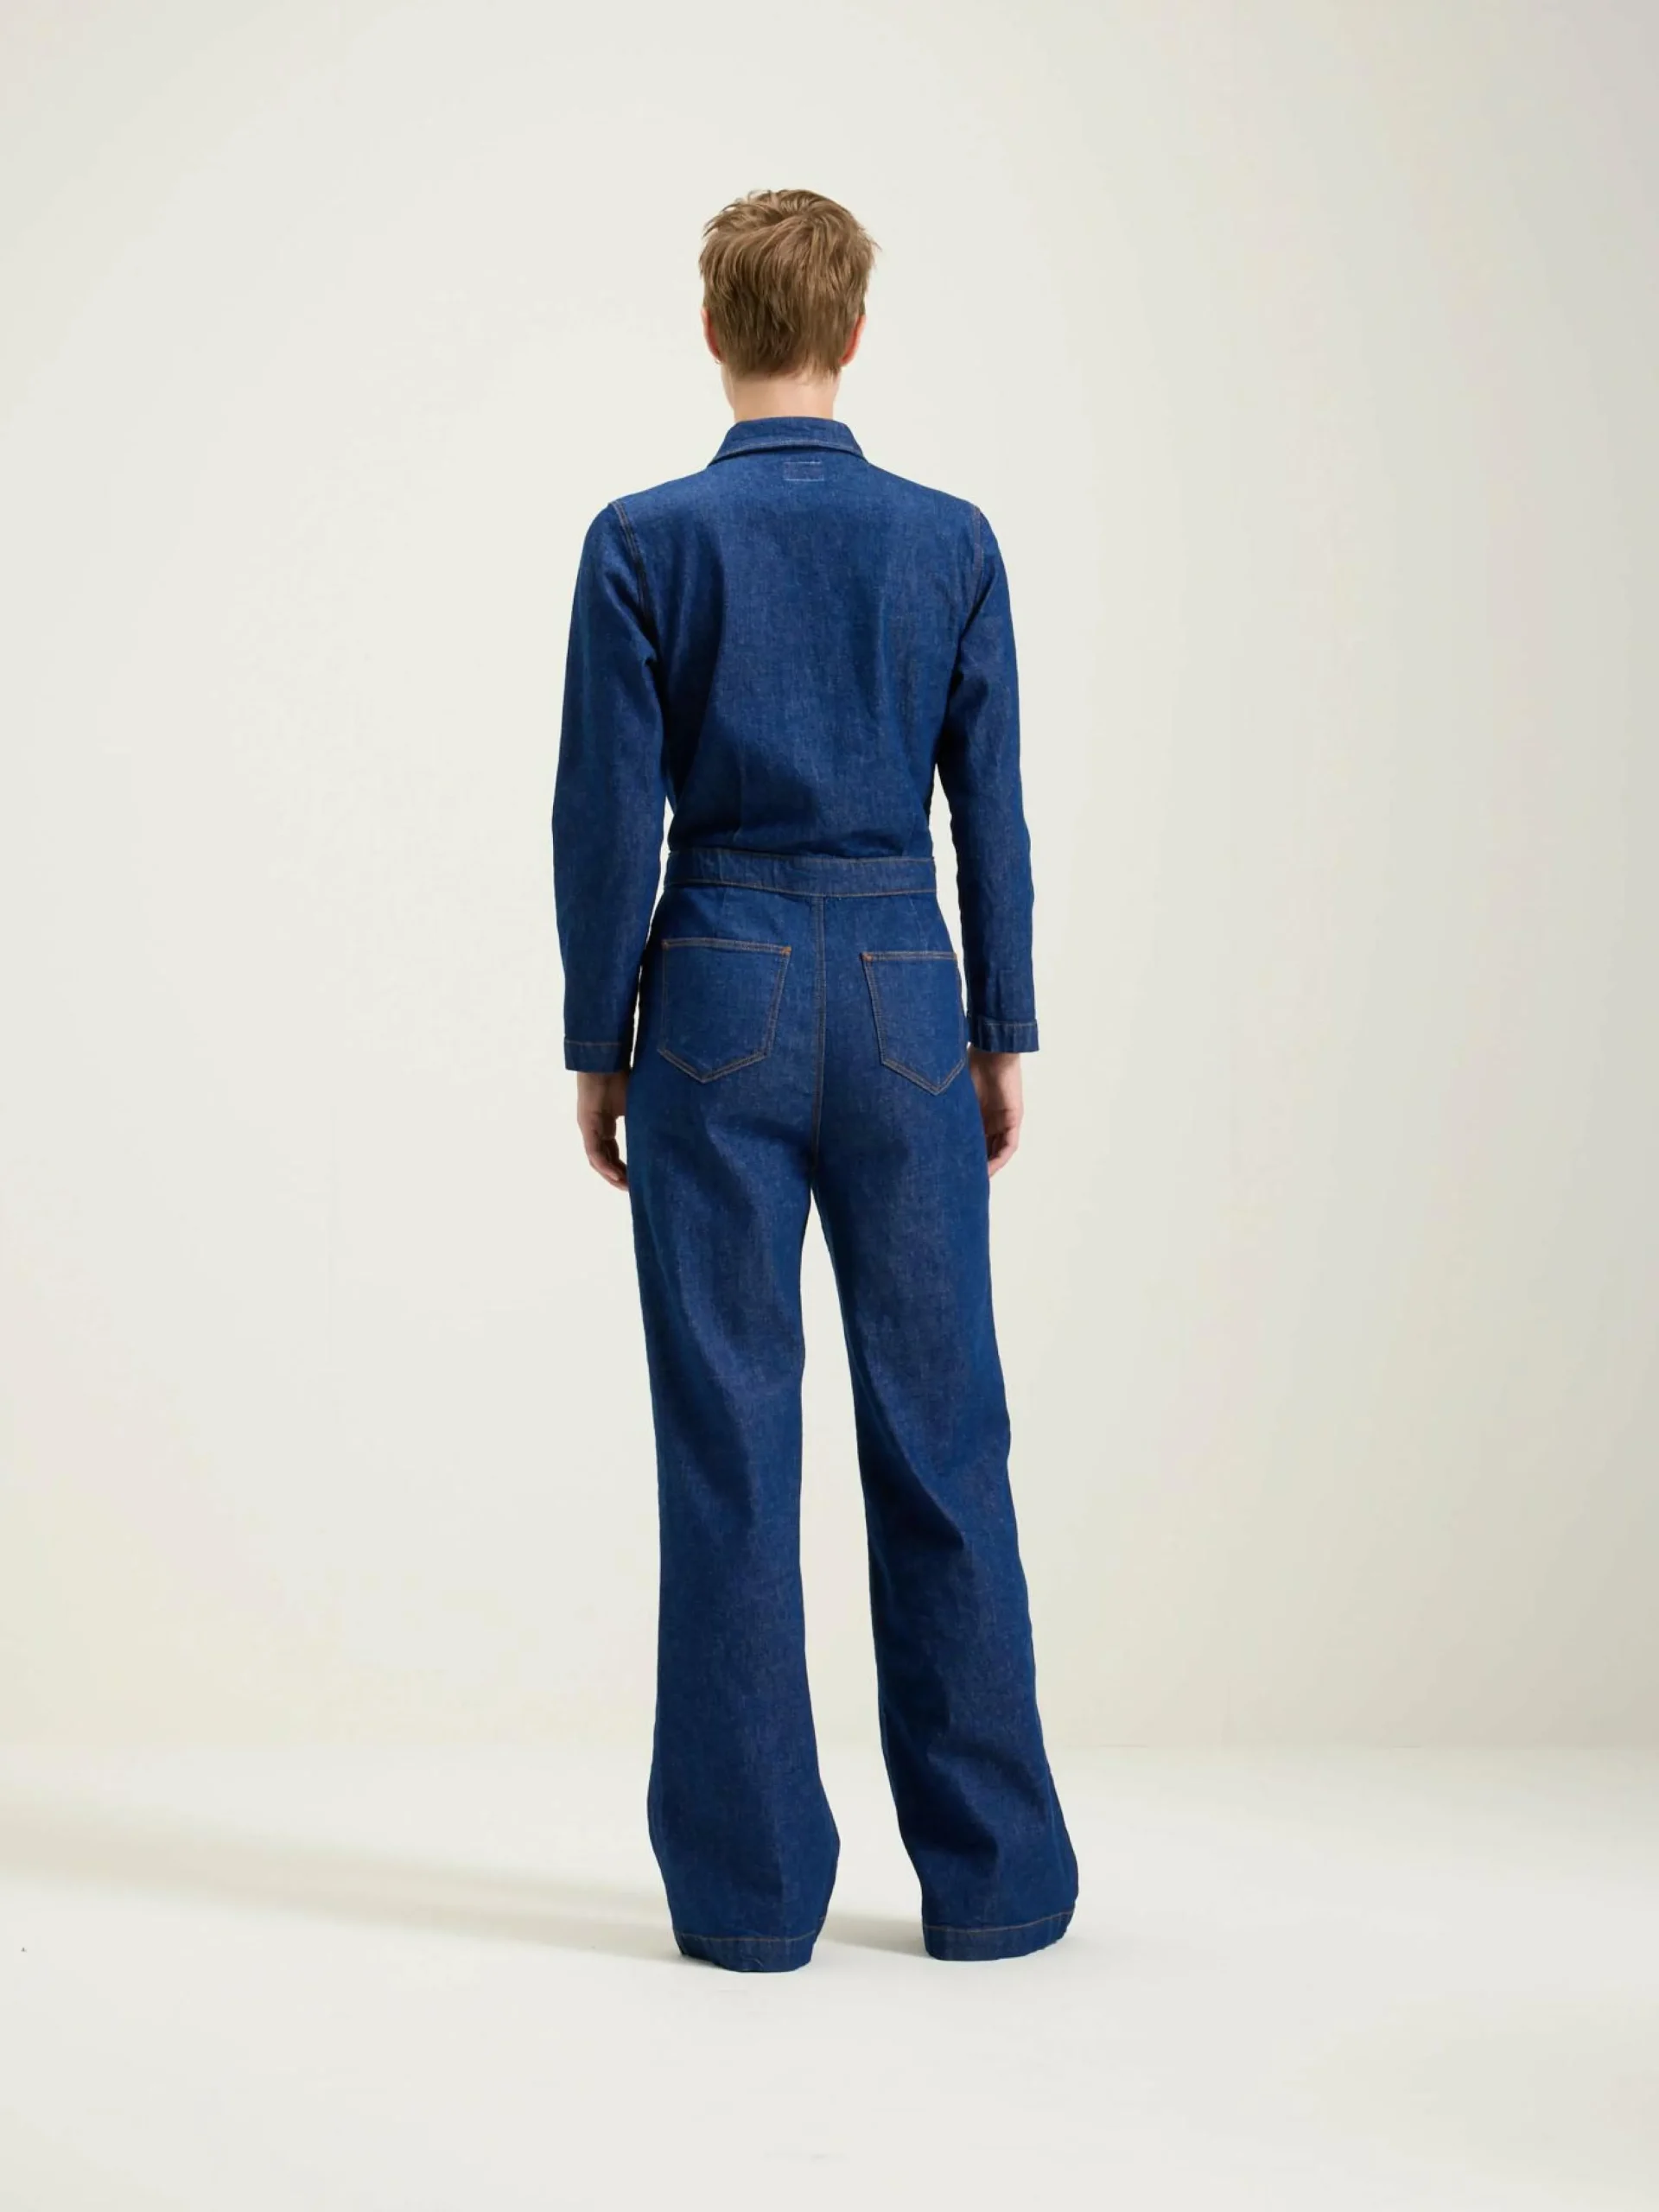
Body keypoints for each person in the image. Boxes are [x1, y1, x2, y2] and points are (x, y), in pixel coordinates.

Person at [552, 188, 1077, 1971]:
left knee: (731, 1440)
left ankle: (751, 1898)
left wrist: (600, 1043)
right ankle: (996, 1880)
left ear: (715, 329)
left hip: (715, 983)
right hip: (906, 985)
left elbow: (604, 821)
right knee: (945, 1434)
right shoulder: (952, 541)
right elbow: (990, 809)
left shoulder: (642, 541)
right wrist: (999, 1026)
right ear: (855, 334)